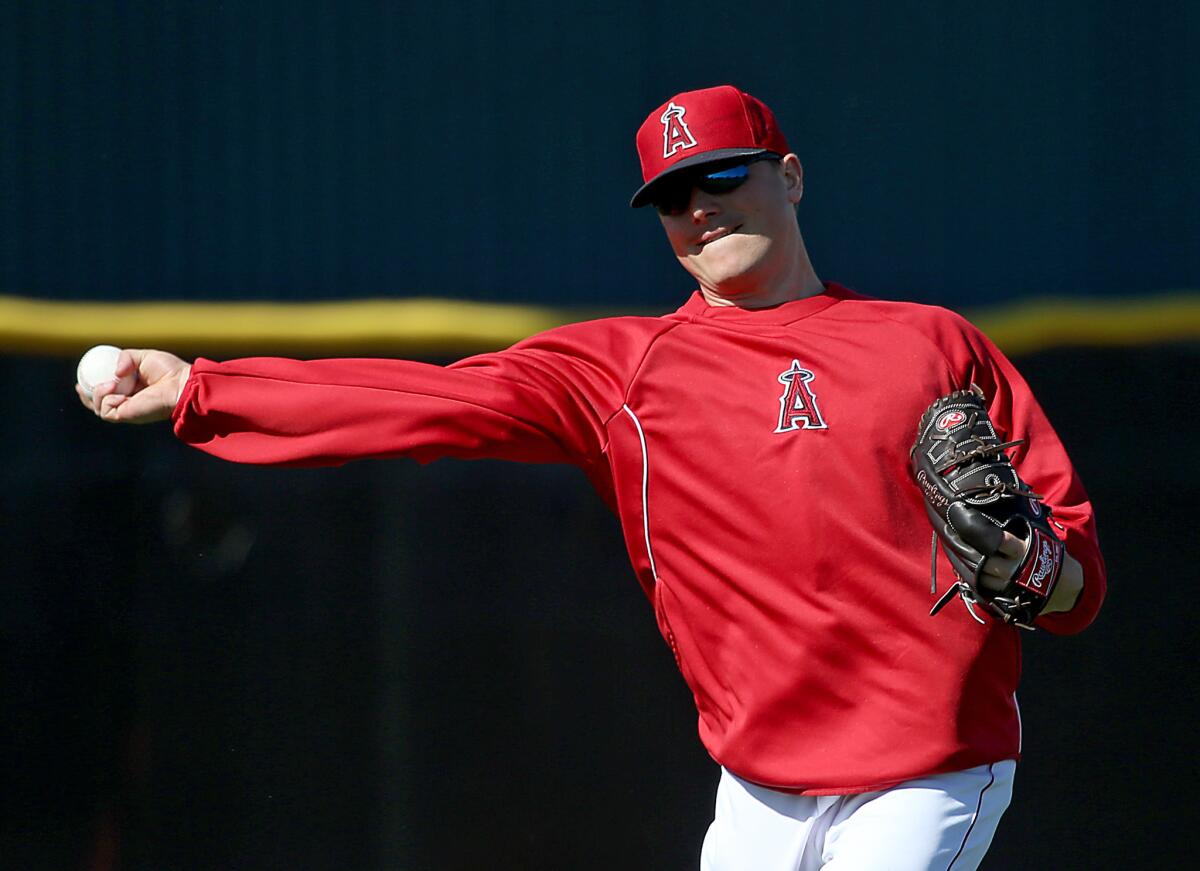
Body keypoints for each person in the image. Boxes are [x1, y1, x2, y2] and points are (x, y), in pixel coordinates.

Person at [78, 85, 1105, 870]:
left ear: (789, 175)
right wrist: (202, 390)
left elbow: (1076, 585)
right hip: (759, 784)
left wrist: (1035, 564)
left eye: (724, 177)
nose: (699, 208)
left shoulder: (932, 346)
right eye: (671, 197)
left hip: (929, 768)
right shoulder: (625, 373)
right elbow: (420, 401)